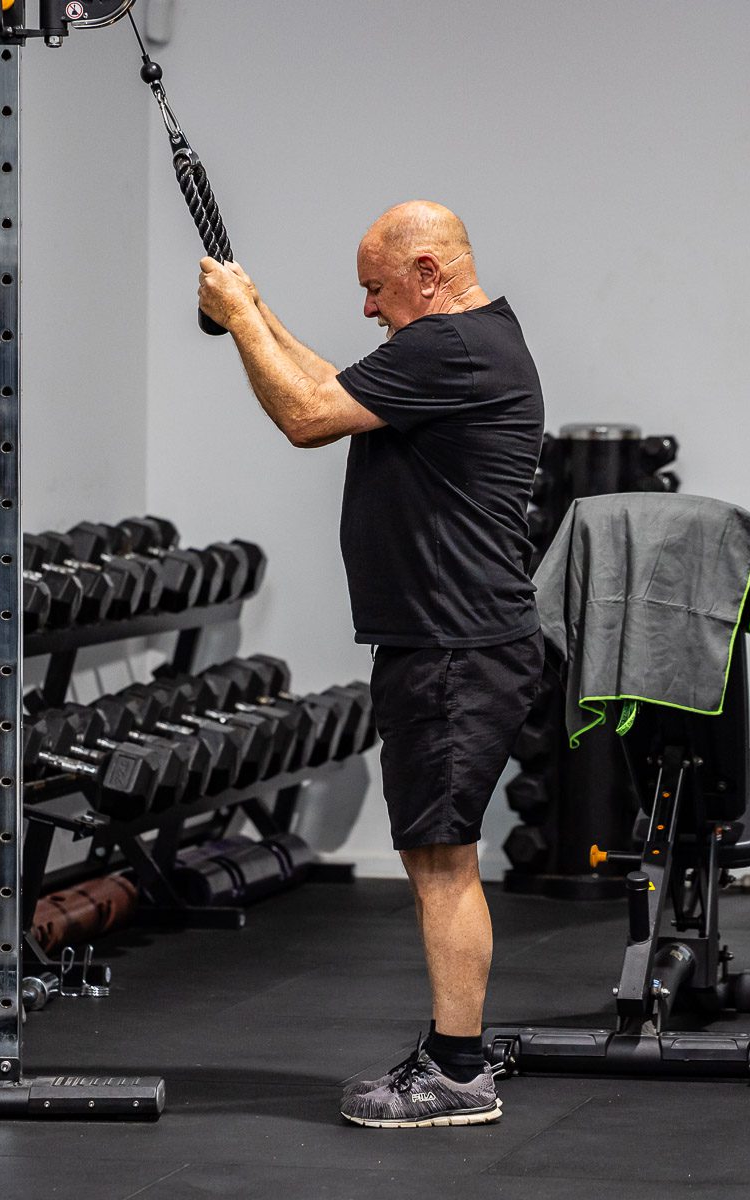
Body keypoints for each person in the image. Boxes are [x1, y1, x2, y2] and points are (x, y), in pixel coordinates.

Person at [196, 200, 545, 1129]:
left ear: (427, 274)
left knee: (440, 861)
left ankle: (459, 1074)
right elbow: (334, 382)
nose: (367, 307)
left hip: (452, 646)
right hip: (453, 640)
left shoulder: (452, 347)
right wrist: (259, 314)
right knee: (441, 854)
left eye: (376, 289)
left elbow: (308, 416)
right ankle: (452, 1053)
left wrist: (235, 320)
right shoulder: (460, 346)